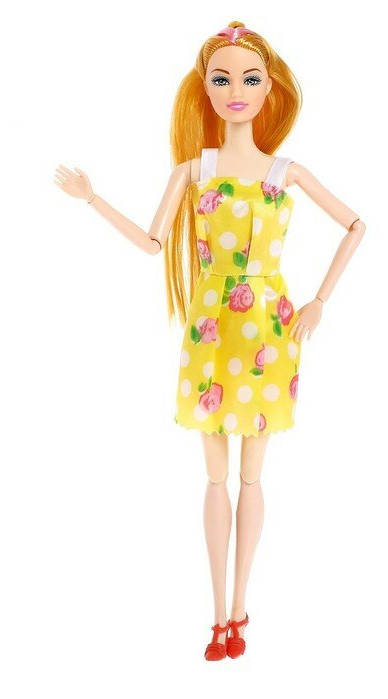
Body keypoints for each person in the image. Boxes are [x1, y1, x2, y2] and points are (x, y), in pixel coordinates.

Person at [54, 20, 366, 661]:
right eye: (222, 79)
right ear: (205, 88)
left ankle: (240, 607)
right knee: (216, 477)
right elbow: (152, 243)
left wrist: (319, 301)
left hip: (271, 330)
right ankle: (217, 612)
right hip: (210, 328)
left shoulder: (288, 172)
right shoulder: (193, 170)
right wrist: (92, 199)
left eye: (250, 79)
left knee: (251, 478)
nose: (236, 91)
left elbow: (357, 225)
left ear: (270, 88)